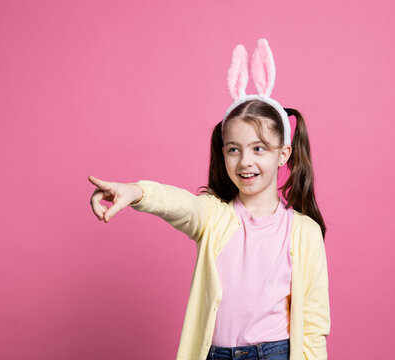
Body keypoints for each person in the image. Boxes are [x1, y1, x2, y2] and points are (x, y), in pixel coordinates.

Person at [88, 38, 330, 360]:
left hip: (276, 353)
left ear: (283, 153)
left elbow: (313, 324)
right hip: (216, 354)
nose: (245, 161)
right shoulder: (214, 216)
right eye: (234, 149)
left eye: (259, 148)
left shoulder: (304, 232)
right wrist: (137, 192)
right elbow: (181, 205)